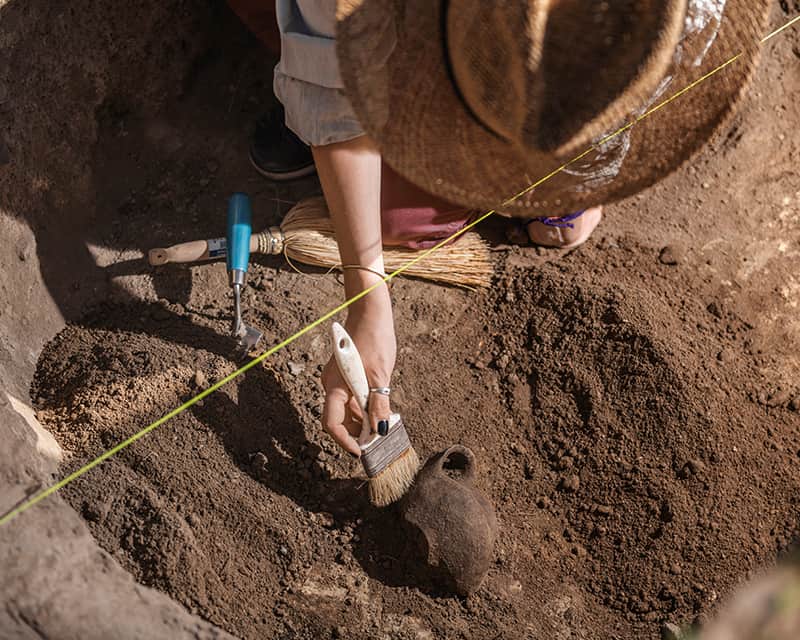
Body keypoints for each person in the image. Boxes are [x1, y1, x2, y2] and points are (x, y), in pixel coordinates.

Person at [244, 0, 767, 457]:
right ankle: (313, 88)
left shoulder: (676, 16)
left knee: (404, 208)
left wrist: (575, 193)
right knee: (391, 217)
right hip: (411, 29)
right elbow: (326, 55)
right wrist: (367, 297)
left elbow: (629, 100)